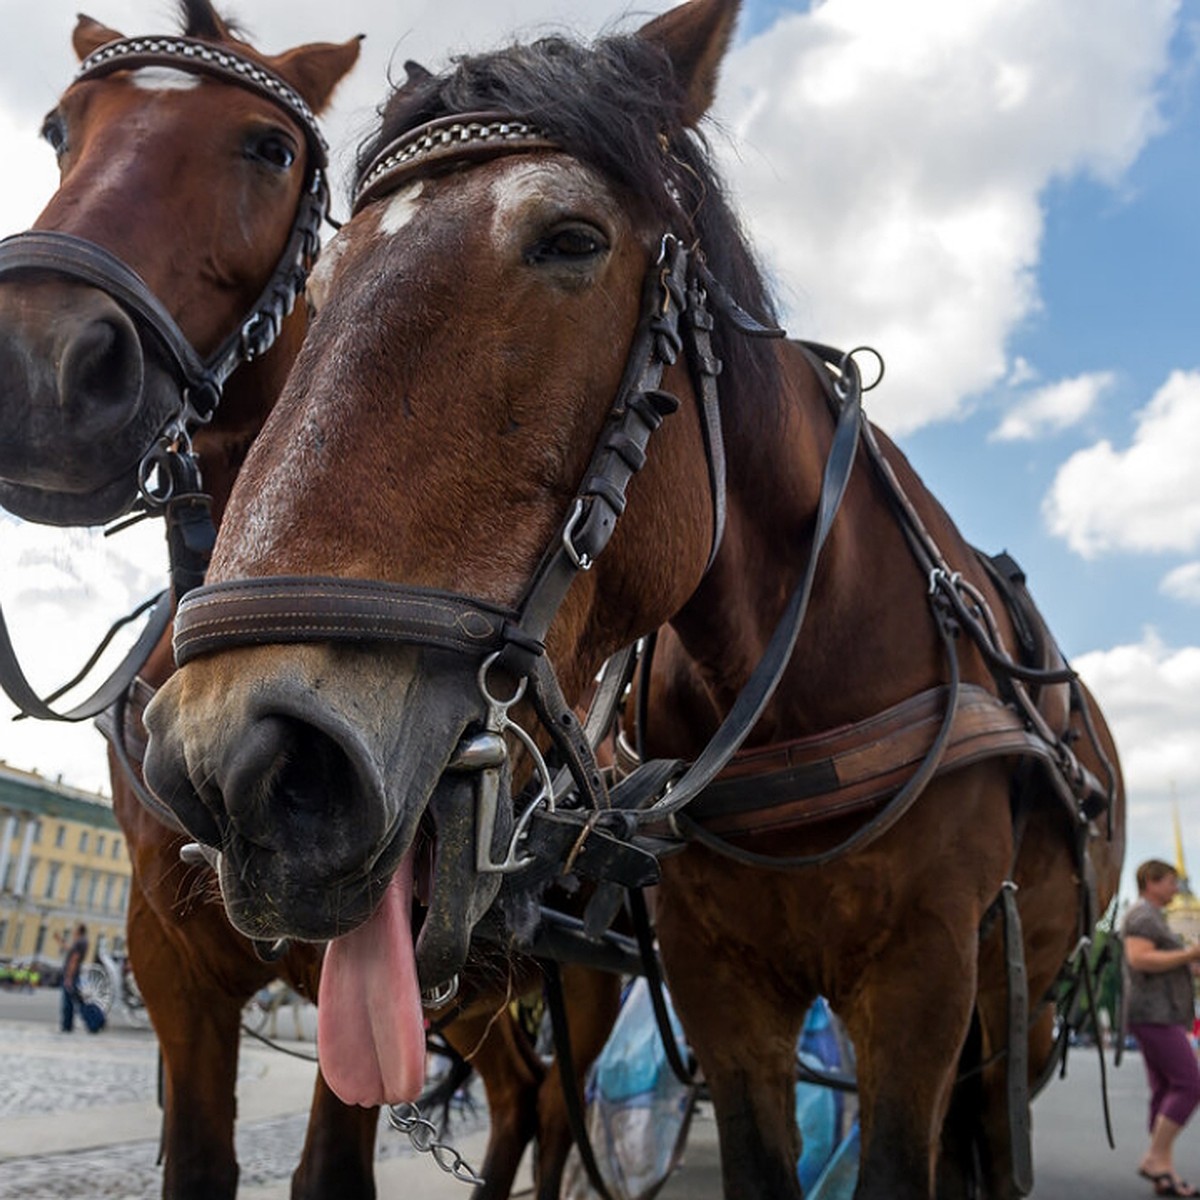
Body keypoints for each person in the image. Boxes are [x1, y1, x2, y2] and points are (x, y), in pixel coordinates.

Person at [1123, 860, 1200, 1198]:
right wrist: (1187, 955)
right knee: (1189, 1083)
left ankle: (1163, 1172)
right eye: (1171, 882)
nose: (1175, 889)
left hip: (1158, 1012)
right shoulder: (1143, 916)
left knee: (1165, 1088)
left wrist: (1188, 964)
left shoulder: (1153, 916)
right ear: (1151, 882)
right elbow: (1139, 959)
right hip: (1155, 1014)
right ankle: (1155, 1158)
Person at [59, 922, 88, 1034]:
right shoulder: (83, 941)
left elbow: (74, 959)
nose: (73, 932)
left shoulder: (79, 942)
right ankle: (69, 1025)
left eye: (75, 930)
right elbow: (70, 949)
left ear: (79, 931)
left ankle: (67, 1025)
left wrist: (69, 977)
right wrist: (60, 941)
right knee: (73, 1000)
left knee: (67, 1002)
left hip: (72, 974)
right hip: (75, 974)